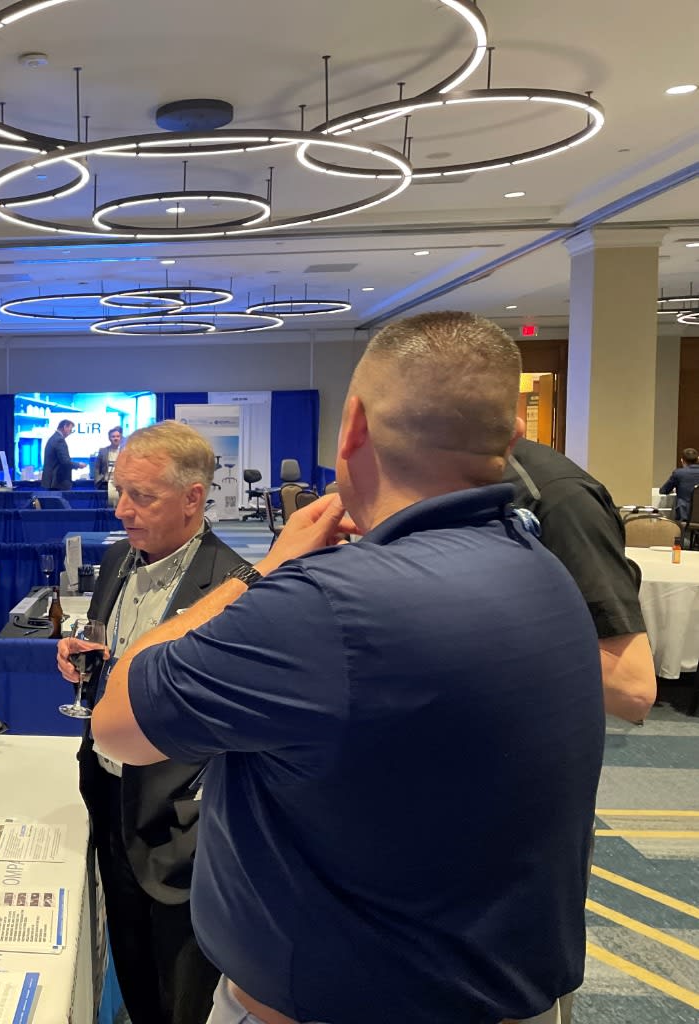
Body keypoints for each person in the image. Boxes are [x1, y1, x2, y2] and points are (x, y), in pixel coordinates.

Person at [93, 312, 604, 1024]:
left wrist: (264, 573)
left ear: (354, 424)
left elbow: (117, 723)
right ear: (510, 434)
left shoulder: (321, 606)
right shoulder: (544, 573)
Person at [56, 421, 245, 1024]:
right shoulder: (118, 558)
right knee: (130, 963)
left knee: (180, 989)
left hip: (178, 825)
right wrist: (79, 656)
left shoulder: (236, 584)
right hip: (108, 792)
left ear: (193, 498)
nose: (121, 510)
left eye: (141, 496)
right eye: (119, 491)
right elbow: (116, 657)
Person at [507, 439, 655, 726]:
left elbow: (632, 689)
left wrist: (470, 635)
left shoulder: (559, 497)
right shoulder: (434, 479)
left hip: (523, 725)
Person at [660, 447, 699, 526]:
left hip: (685, 517)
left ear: (682, 460)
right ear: (698, 459)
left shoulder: (679, 473)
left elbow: (663, 490)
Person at [41, 419, 74, 490]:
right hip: (57, 482)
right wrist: (78, 465)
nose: (70, 433)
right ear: (65, 427)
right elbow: (65, 461)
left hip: (52, 482)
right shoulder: (59, 440)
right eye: (70, 430)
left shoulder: (54, 438)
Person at [94, 425, 124, 502]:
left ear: (120, 438)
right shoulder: (103, 451)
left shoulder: (125, 452)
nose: (116, 438)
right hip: (105, 483)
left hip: (122, 484)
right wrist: (97, 480)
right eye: (113, 436)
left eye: (118, 436)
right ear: (109, 438)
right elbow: (97, 468)